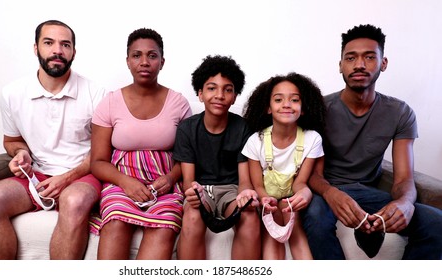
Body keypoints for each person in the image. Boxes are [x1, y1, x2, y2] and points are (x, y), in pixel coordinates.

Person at [302, 24, 442, 259]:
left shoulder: (399, 112)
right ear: (341, 66)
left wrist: (405, 202)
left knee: (436, 223)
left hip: (369, 192)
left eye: (369, 57)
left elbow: (404, 178)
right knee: (315, 216)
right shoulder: (320, 109)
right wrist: (331, 193)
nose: (359, 64)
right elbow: (312, 174)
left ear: (383, 63)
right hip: (325, 193)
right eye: (351, 58)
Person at [0, 20, 106, 259]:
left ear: (74, 52)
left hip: (83, 174)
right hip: (37, 175)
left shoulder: (96, 93)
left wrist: (67, 178)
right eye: (49, 42)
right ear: (36, 48)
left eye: (65, 44)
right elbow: (12, 140)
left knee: (73, 200)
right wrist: (21, 154)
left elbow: (102, 150)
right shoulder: (12, 93)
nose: (57, 50)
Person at [89, 28, 192, 260]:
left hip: (163, 185)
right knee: (115, 221)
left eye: (152, 55)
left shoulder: (178, 103)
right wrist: (126, 183)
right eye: (137, 55)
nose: (144, 62)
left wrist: (171, 178)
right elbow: (97, 161)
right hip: (121, 182)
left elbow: (188, 157)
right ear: (127, 61)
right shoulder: (110, 102)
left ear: (162, 61)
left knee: (164, 227)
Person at [173, 55, 261, 260]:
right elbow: (188, 179)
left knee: (248, 215)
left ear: (235, 96)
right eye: (212, 88)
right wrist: (192, 192)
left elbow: (244, 179)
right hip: (201, 189)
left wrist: (245, 194)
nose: (219, 95)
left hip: (231, 190)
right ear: (200, 93)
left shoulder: (242, 128)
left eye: (227, 89)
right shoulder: (187, 129)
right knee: (193, 216)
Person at [241, 72, 325, 260]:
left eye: (294, 100)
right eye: (278, 100)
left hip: (291, 199)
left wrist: (305, 194)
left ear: (303, 108)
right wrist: (264, 200)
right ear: (268, 108)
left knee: (294, 229)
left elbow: (300, 182)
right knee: (273, 234)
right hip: (267, 201)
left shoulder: (312, 139)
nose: (286, 104)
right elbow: (258, 186)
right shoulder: (256, 141)